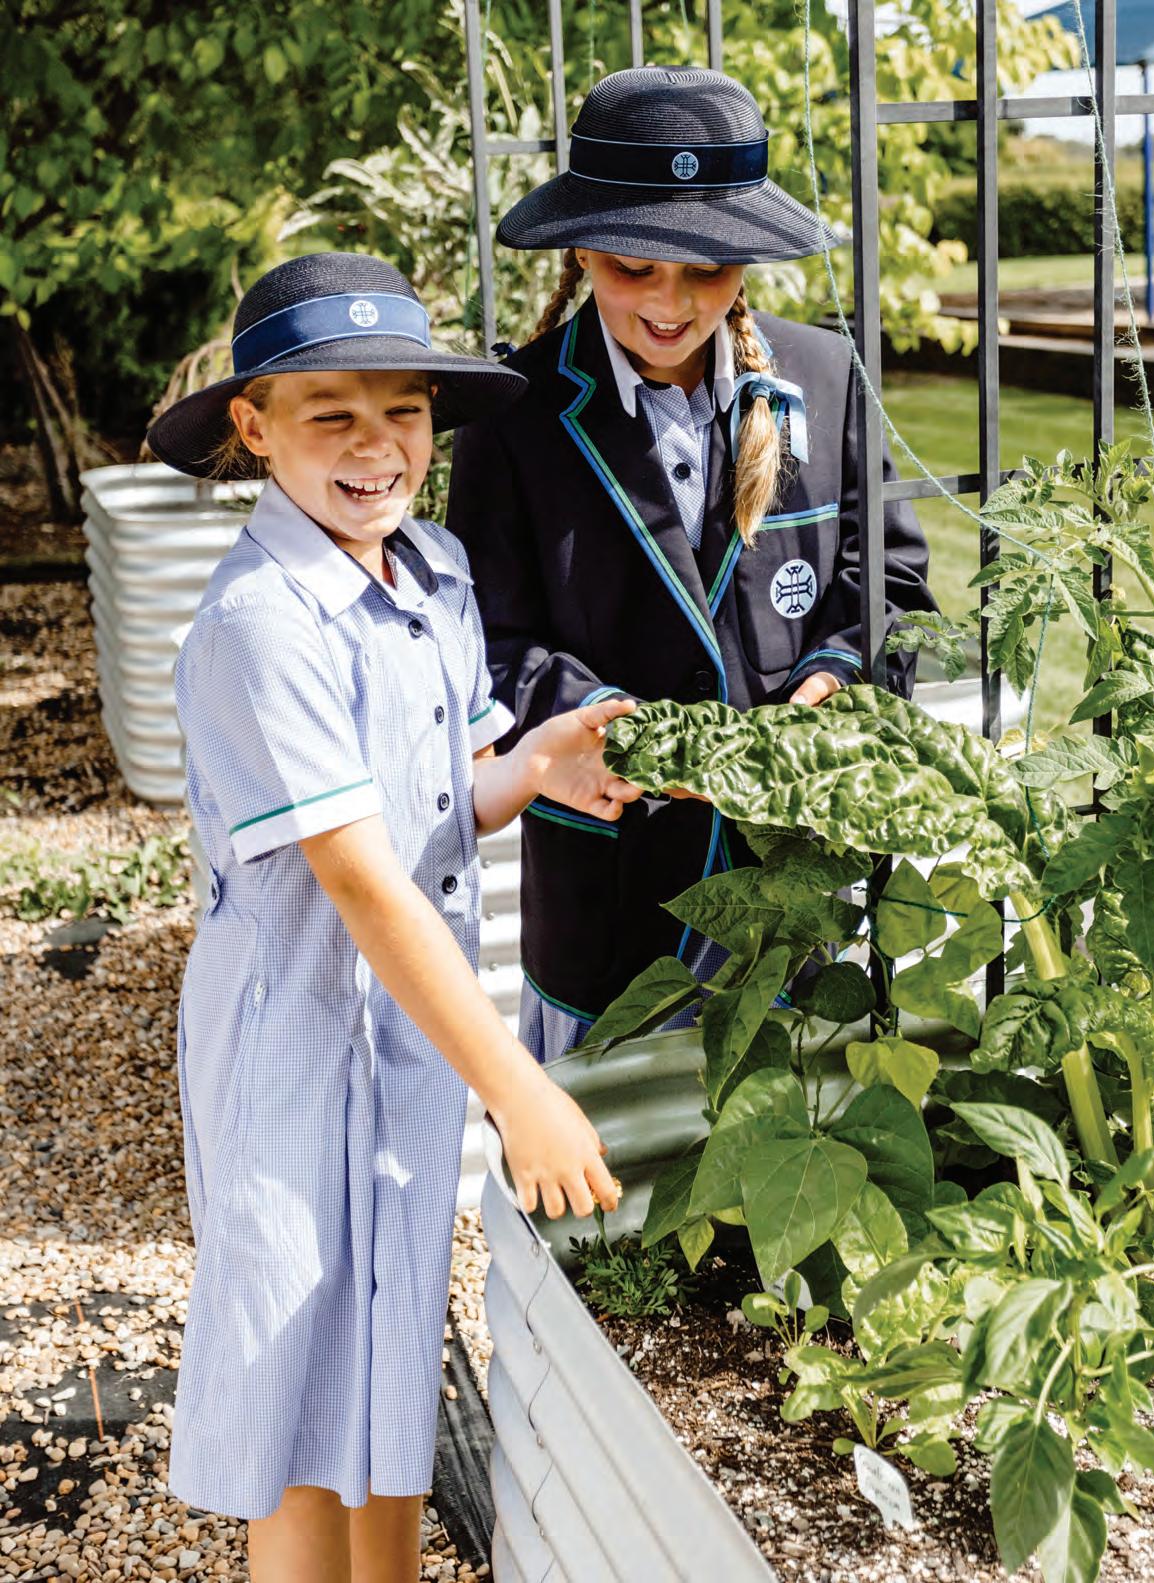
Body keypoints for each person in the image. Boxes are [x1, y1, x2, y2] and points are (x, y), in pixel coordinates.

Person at [146, 251, 637, 1583]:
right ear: (254, 427)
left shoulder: (433, 568)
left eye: (404, 410)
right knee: (301, 1406)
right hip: (293, 1058)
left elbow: (442, 794)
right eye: (332, 414)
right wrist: (519, 1090)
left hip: (407, 1049)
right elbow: (361, 877)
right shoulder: (259, 623)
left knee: (387, 1364)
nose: (378, 447)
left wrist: (532, 768)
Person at [445, 65, 936, 1063]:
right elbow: (487, 640)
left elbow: (890, 585)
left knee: (798, 1134)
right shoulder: (513, 417)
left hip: (795, 885)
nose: (671, 304)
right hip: (612, 904)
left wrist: (831, 683)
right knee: (609, 1155)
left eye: (708, 271)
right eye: (635, 268)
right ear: (583, 248)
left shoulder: (826, 379)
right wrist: (610, 728)